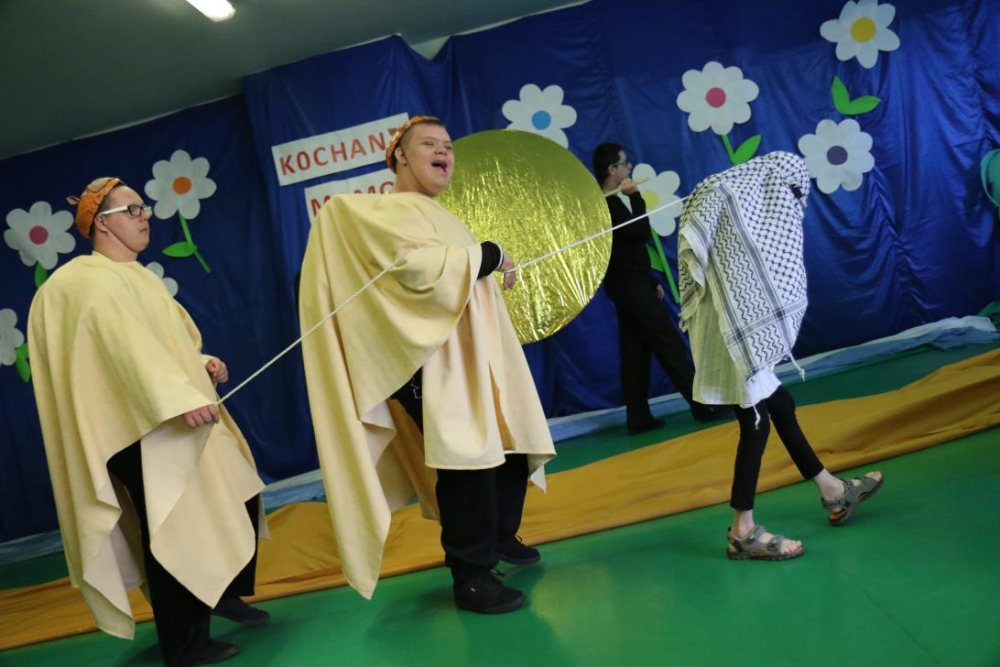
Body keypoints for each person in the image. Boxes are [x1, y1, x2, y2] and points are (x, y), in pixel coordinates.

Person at [298, 116, 556, 615]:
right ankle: (471, 576)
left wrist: (484, 260)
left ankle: (499, 536)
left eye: (449, 146)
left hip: (473, 355)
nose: (444, 153)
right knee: (466, 460)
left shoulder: (444, 215)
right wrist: (487, 255)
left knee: (509, 444)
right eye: (430, 145)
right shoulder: (382, 211)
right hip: (430, 363)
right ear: (399, 156)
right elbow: (413, 271)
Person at [28, 177, 270, 666]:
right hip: (135, 427)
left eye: (144, 208)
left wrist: (200, 363)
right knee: (171, 524)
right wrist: (175, 397)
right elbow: (117, 353)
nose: (146, 216)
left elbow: (158, 347)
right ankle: (184, 644)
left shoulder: (139, 277)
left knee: (240, 490)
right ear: (102, 224)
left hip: (172, 412)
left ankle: (221, 591)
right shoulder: (83, 280)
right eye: (133, 209)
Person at [677, 152, 883, 560]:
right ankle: (742, 531)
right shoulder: (736, 211)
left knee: (781, 405)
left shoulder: (731, 210)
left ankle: (833, 490)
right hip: (733, 339)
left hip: (732, 335)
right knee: (755, 424)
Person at [592, 142, 729, 434]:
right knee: (668, 342)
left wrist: (650, 280)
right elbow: (640, 232)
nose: (629, 167)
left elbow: (627, 250)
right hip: (628, 287)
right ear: (612, 170)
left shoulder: (613, 202)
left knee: (635, 353)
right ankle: (703, 405)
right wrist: (635, 196)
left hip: (631, 283)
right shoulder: (606, 205)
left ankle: (638, 418)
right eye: (624, 163)